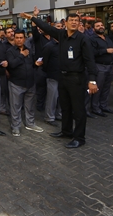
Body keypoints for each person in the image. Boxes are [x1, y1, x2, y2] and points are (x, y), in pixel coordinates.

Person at [27, 8, 98, 148]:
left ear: (79, 23)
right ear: (66, 22)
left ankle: (79, 138)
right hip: (62, 77)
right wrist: (32, 18)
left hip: (77, 78)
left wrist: (92, 80)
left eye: (76, 21)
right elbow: (46, 27)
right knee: (65, 107)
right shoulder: (61, 35)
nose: (74, 22)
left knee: (78, 110)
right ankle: (66, 131)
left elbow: (90, 60)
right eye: (71, 20)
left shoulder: (83, 39)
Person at [86, 20, 113, 117]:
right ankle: (95, 107)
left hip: (109, 66)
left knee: (106, 88)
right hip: (99, 65)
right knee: (97, 88)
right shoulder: (91, 39)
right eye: (97, 26)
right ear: (93, 29)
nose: (100, 27)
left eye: (101, 25)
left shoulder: (107, 38)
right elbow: (91, 53)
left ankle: (103, 105)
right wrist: (105, 51)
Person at [38, 22, 64, 126]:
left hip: (64, 75)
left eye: (61, 27)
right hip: (52, 75)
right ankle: (49, 117)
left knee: (62, 97)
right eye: (58, 27)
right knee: (52, 98)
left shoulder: (65, 44)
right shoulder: (49, 46)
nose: (60, 29)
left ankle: (59, 114)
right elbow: (45, 61)